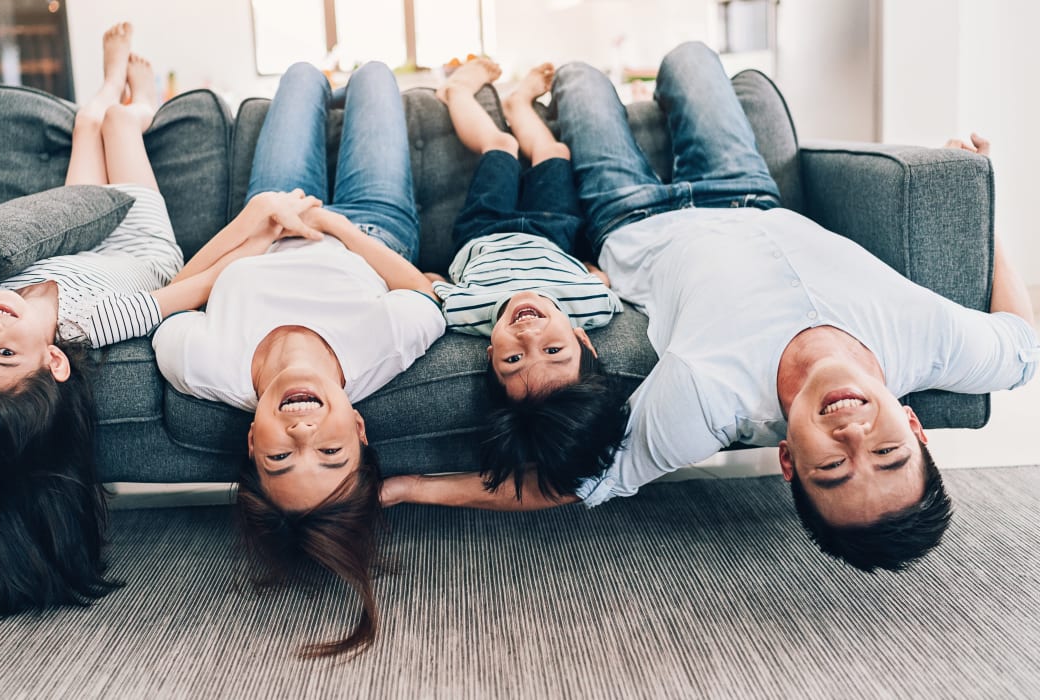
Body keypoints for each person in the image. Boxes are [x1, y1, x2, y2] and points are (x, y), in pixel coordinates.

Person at [382, 42, 1038, 573]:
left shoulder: (707, 402)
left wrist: (410, 488)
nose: (854, 437)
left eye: (832, 467)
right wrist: (986, 211)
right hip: (746, 190)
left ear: (788, 461)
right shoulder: (936, 344)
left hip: (630, 214)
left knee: (581, 77)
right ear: (914, 426)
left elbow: (580, 481)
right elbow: (1023, 344)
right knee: (692, 57)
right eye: (889, 453)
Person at [0, 23, 250, 618]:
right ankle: (135, 94)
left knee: (84, 124)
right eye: (6, 355)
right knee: (119, 123)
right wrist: (258, 235)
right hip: (136, 245)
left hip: (68, 237)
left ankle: (101, 83)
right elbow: (191, 289)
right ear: (54, 361)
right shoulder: (97, 321)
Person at [151, 61, 445, 657]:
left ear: (253, 445)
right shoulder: (378, 353)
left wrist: (252, 224)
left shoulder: (201, 366)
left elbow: (177, 293)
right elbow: (423, 295)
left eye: (283, 455)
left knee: (302, 76)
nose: (304, 430)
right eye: (331, 452)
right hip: (368, 228)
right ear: (360, 430)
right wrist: (337, 226)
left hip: (271, 213)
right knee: (374, 77)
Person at [432, 58, 625, 499]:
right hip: (552, 231)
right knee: (555, 153)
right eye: (554, 350)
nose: (528, 334)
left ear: (489, 356)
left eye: (513, 360)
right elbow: (605, 284)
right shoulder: (592, 307)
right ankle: (520, 102)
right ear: (583, 340)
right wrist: (597, 275)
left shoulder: (464, 312)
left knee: (499, 146)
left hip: (485, 230)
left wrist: (427, 279)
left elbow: (429, 287)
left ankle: (457, 91)